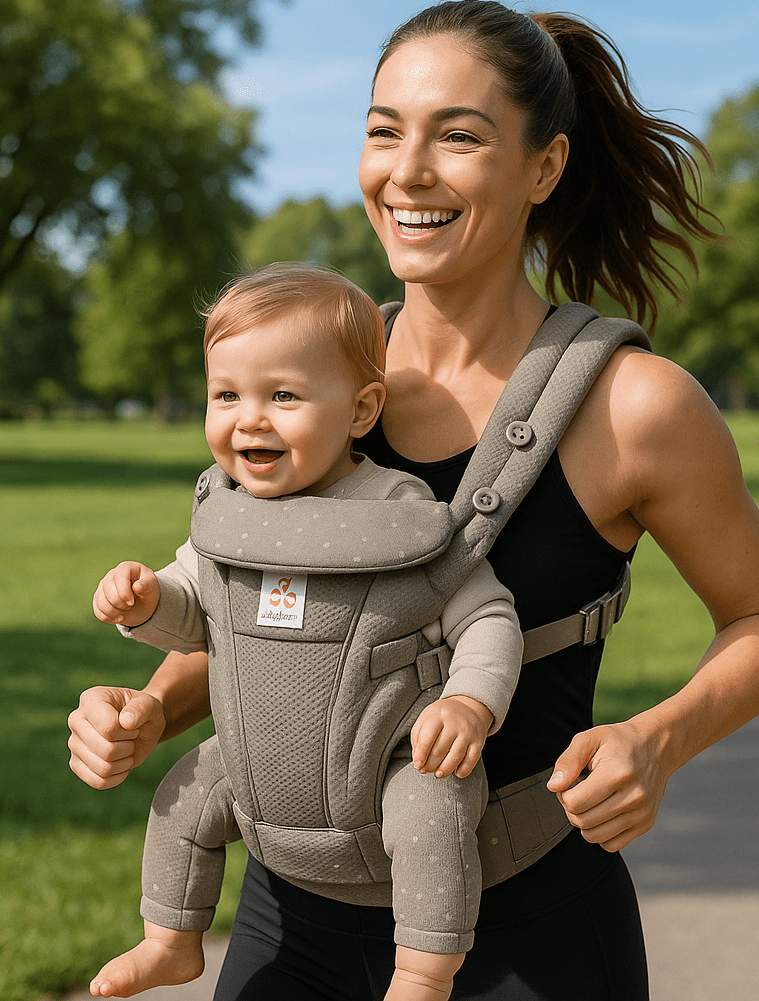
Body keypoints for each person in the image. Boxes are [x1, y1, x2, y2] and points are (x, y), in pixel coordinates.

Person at [69, 0, 759, 1000]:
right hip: (295, 919)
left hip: (530, 931)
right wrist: (149, 708)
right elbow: (259, 614)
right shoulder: (314, 384)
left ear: (541, 168)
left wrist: (656, 739)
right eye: (384, 130)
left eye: (457, 137)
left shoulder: (635, 405)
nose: (406, 171)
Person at [86, 262, 523, 1001]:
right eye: (226, 395)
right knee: (183, 792)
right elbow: (197, 610)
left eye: (282, 396)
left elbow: (486, 615)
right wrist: (145, 600)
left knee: (433, 814)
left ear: (360, 410)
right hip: (258, 768)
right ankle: (169, 938)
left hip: (385, 766)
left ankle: (422, 972)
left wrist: (469, 704)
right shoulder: (231, 512)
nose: (248, 419)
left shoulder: (397, 512)